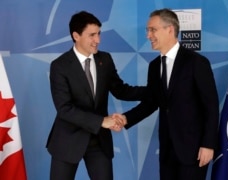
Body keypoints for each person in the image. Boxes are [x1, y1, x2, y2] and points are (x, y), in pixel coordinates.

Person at [114, 8, 219, 180]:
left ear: (170, 29)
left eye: (152, 29)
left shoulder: (196, 62)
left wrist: (208, 145)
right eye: (147, 30)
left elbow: (211, 106)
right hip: (167, 151)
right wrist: (126, 118)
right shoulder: (154, 66)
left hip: (194, 150)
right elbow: (152, 102)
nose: (148, 35)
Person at [46, 11, 146, 180]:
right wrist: (102, 121)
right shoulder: (59, 66)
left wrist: (155, 90)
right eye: (92, 35)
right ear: (76, 36)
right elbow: (65, 109)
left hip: (99, 141)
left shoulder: (105, 59)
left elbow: (121, 90)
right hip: (68, 140)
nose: (98, 40)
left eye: (99, 34)